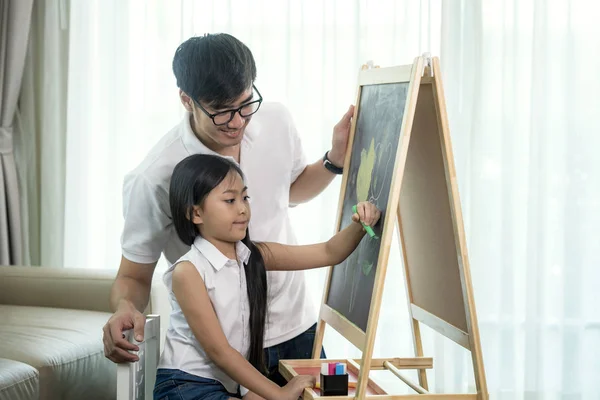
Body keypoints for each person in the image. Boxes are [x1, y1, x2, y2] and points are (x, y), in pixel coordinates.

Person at [102, 32, 355, 384]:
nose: (237, 122)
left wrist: (334, 160)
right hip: (220, 353)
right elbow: (133, 276)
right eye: (221, 112)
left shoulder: (277, 120)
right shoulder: (154, 177)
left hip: (299, 325)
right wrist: (125, 308)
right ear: (187, 100)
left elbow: (290, 191)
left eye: (245, 104)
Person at [153, 154, 380, 400]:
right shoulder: (188, 271)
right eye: (229, 200)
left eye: (245, 197)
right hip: (183, 384)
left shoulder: (253, 255)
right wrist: (278, 394)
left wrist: (360, 223)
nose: (242, 208)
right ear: (196, 214)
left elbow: (328, 252)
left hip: (227, 385)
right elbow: (219, 351)